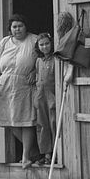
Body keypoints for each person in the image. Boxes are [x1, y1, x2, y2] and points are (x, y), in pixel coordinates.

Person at [0, 14, 39, 167]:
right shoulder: (4, 42)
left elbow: (44, 57)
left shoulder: (34, 40)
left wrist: (36, 72)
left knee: (26, 121)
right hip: (5, 83)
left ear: (26, 27)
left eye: (20, 26)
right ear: (10, 29)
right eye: (14, 27)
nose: (17, 29)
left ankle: (26, 156)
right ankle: (34, 153)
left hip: (24, 84)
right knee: (9, 121)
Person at [33, 32, 58, 166]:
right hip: (40, 96)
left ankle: (56, 153)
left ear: (52, 43)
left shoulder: (56, 59)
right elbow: (37, 77)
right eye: (41, 45)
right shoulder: (38, 61)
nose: (44, 47)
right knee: (42, 125)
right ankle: (46, 153)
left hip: (52, 95)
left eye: (47, 43)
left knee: (53, 122)